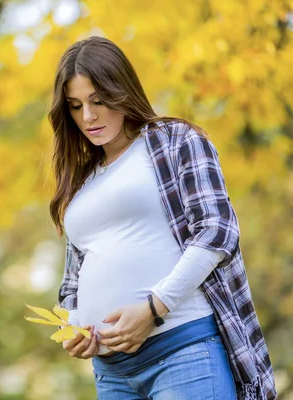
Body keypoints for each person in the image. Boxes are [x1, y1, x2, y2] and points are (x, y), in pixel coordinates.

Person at [48, 36, 276, 400]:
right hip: (112, 374)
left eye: (98, 100)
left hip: (182, 351)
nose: (87, 117)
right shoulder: (81, 180)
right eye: (75, 106)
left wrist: (154, 309)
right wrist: (74, 327)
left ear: (121, 90)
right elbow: (73, 282)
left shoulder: (174, 141)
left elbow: (216, 231)